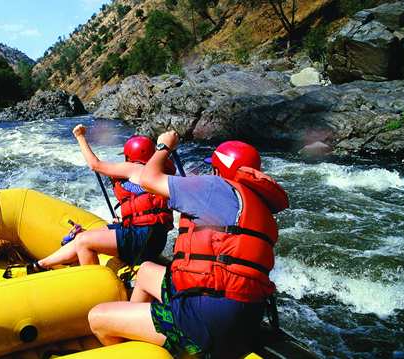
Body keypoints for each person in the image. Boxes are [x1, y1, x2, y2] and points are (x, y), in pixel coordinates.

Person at [87, 131, 289, 358]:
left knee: (98, 317)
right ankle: (136, 326)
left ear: (219, 170)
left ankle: (136, 342)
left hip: (204, 321)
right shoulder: (258, 208)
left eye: (213, 167)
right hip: (246, 317)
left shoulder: (213, 187)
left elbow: (148, 180)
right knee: (145, 272)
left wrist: (164, 147)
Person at [28, 124, 174, 272]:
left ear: (130, 156)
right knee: (83, 236)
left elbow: (95, 165)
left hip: (141, 238)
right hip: (153, 239)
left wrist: (80, 136)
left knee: (83, 242)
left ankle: (94, 287)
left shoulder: (134, 168)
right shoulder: (161, 172)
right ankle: (39, 265)